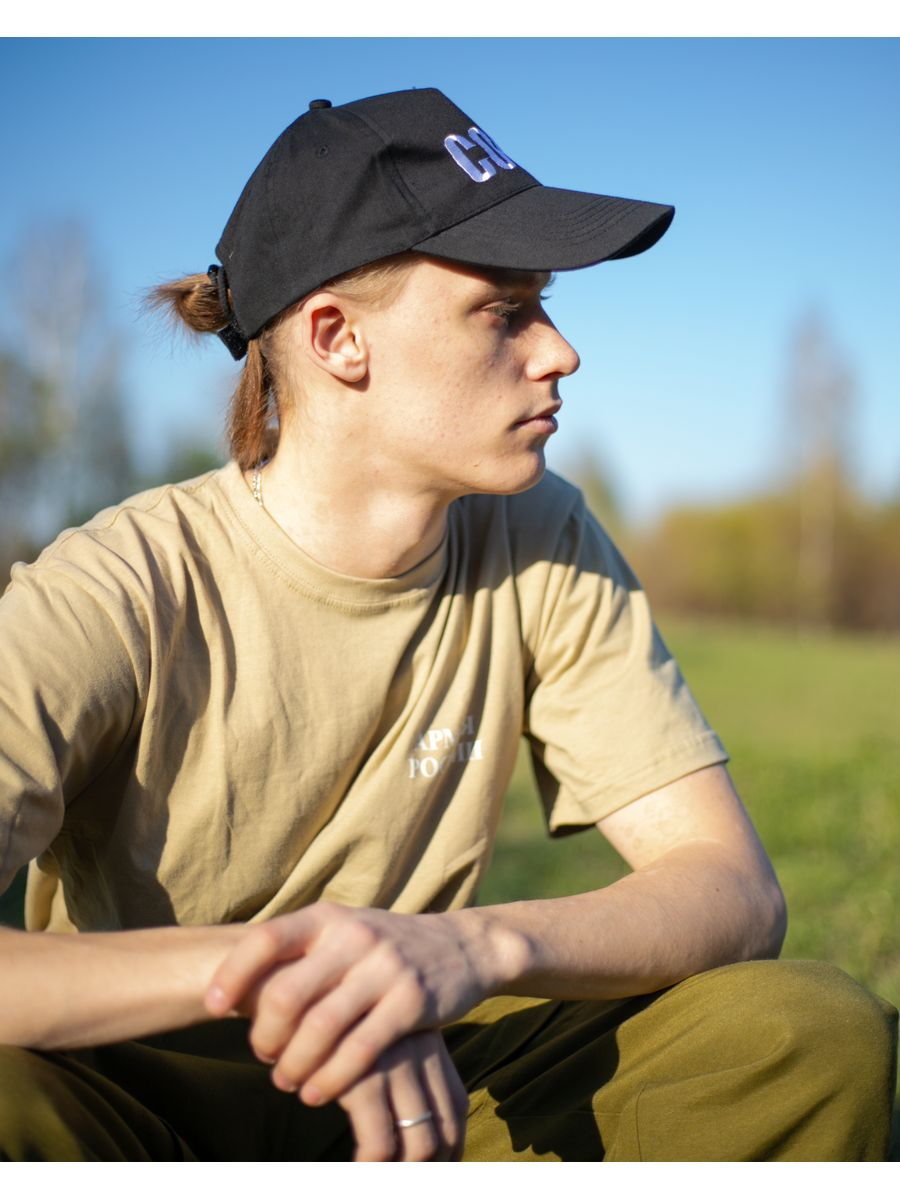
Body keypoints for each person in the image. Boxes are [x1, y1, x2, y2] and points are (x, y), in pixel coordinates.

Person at [0, 87, 895, 1163]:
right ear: (338, 339)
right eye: (505, 311)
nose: (560, 352)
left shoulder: (543, 534)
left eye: (545, 306)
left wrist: (464, 950)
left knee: (806, 1037)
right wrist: (312, 975)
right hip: (134, 1099)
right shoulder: (118, 586)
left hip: (421, 1089)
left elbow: (732, 888)